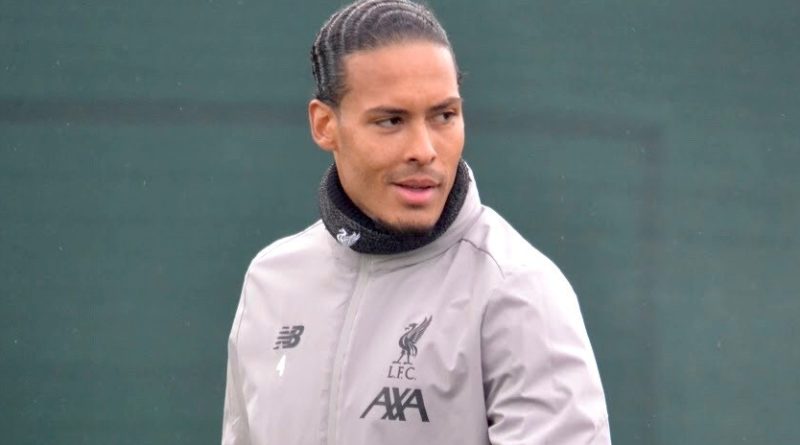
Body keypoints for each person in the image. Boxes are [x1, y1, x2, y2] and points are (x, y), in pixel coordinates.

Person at [221, 0, 611, 443]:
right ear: (325, 125)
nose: (424, 150)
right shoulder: (272, 282)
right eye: (391, 120)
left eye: (444, 116)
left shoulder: (517, 291)